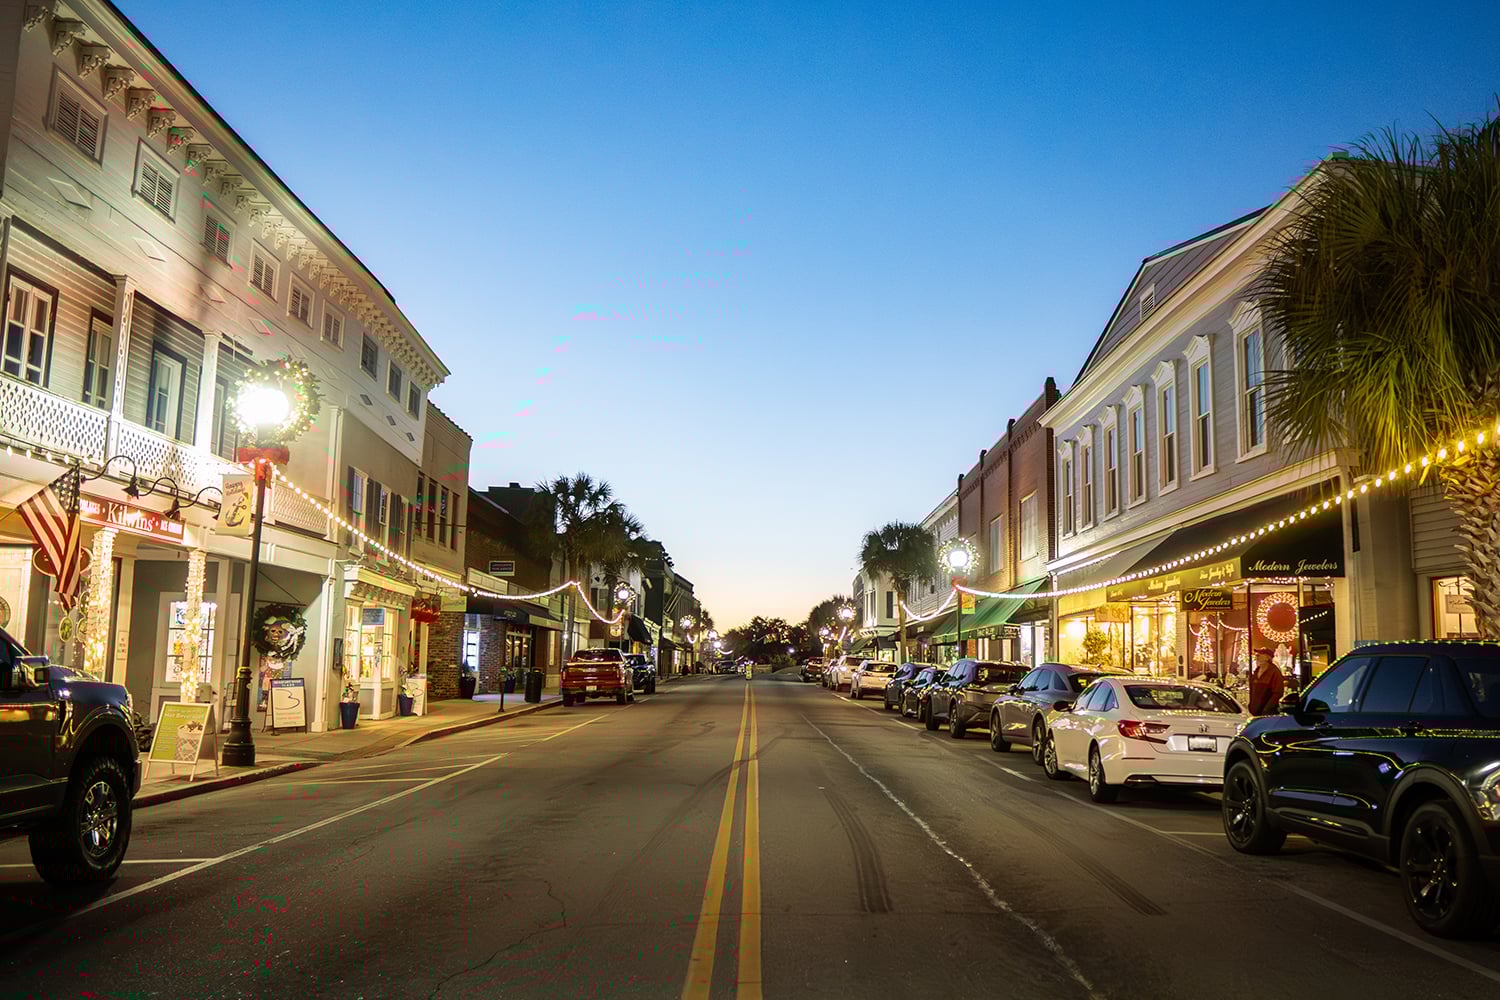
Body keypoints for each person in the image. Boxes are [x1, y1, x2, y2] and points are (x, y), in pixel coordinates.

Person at [1248, 646, 1287, 716]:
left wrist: (1267, 709)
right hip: (1255, 712)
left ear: (1267, 657)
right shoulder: (1256, 671)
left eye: (1259, 655)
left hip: (1267, 713)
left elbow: (1278, 693)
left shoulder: (1274, 672)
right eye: (1256, 655)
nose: (1257, 656)